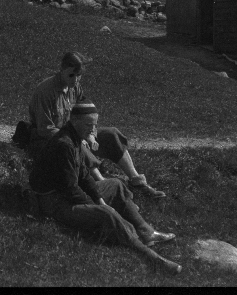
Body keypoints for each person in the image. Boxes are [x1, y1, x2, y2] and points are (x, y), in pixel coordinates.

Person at [28, 101, 181, 275]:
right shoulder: (65, 144)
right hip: (54, 202)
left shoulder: (75, 138)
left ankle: (146, 232)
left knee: (115, 185)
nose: (92, 130)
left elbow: (84, 175)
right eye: (88, 125)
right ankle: (151, 257)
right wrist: (98, 205)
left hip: (66, 193)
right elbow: (69, 189)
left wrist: (99, 198)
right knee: (108, 214)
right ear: (74, 121)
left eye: (94, 125)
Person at [27, 51, 165, 198]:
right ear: (61, 70)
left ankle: (137, 181)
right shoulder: (45, 91)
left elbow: (87, 115)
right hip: (50, 142)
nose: (75, 80)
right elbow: (45, 129)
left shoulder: (75, 88)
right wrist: (78, 139)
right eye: (71, 75)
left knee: (111, 134)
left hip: (76, 134)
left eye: (79, 76)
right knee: (77, 146)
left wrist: (91, 134)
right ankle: (103, 186)